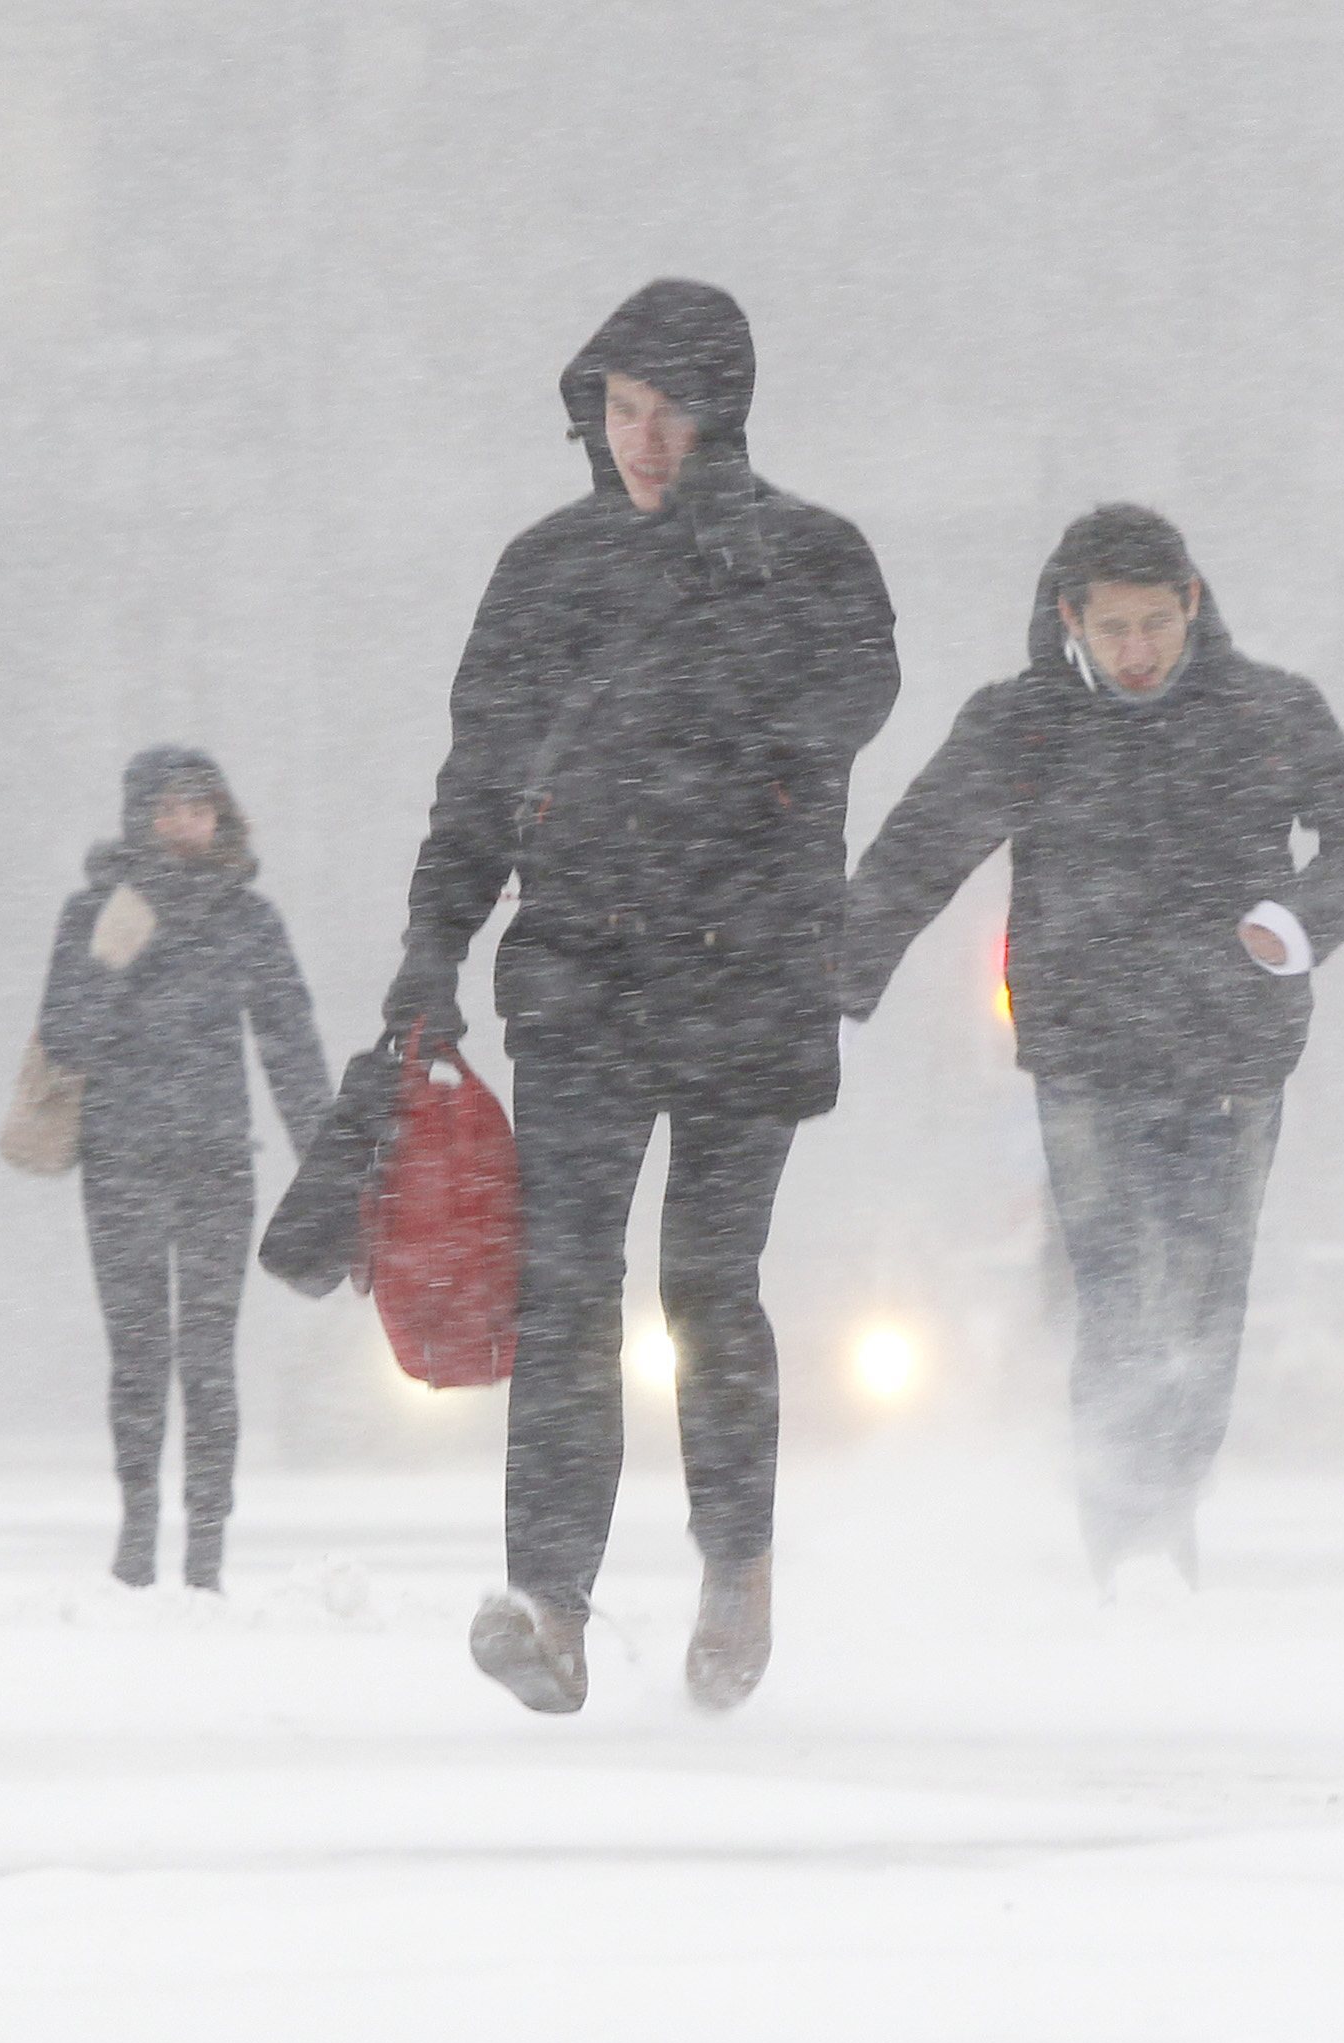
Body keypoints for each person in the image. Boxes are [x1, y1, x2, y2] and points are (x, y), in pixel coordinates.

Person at [382, 279, 900, 1712]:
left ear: (727, 416)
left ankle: (735, 1562)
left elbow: (847, 705)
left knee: (708, 1286)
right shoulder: (544, 567)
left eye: (672, 411)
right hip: (582, 971)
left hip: (747, 968)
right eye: (620, 409)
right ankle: (547, 1600)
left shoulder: (811, 556)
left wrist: (724, 576)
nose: (645, 439)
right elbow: (479, 772)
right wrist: (433, 939)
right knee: (563, 1291)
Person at [837, 504, 1344, 1584]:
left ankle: (1165, 1502)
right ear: (1070, 621)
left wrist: (1295, 924)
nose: (1139, 651)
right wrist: (838, 990)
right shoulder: (1023, 727)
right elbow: (915, 855)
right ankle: (1122, 1521)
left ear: (1192, 603)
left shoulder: (1265, 712)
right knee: (1116, 1294)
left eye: (1156, 623)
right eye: (1115, 630)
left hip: (1232, 1056)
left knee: (1202, 1293)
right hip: (1087, 1058)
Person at [37, 747, 327, 1591]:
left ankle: (206, 1543)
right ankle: (136, 1529)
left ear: (220, 815)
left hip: (215, 1163)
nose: (182, 823)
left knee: (208, 1354)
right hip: (120, 1161)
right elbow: (64, 1040)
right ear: (138, 817)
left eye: (197, 808)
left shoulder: (248, 917)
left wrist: (327, 1158)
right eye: (165, 809)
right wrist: (108, 957)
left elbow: (289, 1042)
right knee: (135, 1353)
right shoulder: (94, 910)